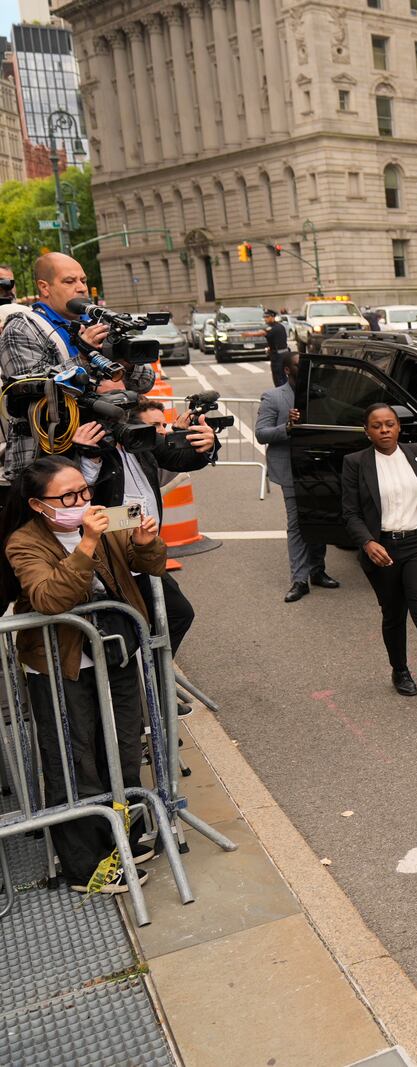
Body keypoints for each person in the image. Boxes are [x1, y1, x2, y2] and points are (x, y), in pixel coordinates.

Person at [1, 455, 167, 894]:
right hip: (61, 665)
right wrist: (87, 543)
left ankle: (125, 837)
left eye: (84, 491)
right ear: (39, 505)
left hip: (117, 652)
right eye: (69, 496)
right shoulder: (23, 541)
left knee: (124, 747)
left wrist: (147, 542)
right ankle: (85, 864)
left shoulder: (101, 520)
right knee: (75, 762)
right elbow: (50, 598)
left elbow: (146, 565)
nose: (81, 501)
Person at [342, 403, 417, 719]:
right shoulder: (355, 463)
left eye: (389, 424)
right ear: (367, 431)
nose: (384, 430)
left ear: (398, 427)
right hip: (383, 549)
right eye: (376, 425)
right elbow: (351, 513)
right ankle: (399, 669)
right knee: (394, 614)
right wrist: (367, 542)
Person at [81, 381, 217, 655]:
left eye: (126, 399)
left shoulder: (139, 437)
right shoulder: (83, 440)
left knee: (177, 615)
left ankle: (156, 685)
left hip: (144, 553)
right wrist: (89, 455)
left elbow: (181, 458)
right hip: (110, 561)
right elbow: (77, 498)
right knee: (123, 638)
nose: (122, 405)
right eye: (113, 399)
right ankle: (146, 689)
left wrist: (207, 443)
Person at [0, 253, 157, 481]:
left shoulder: (95, 324)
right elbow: (27, 392)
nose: (81, 288)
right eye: (69, 281)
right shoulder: (22, 328)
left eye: (83, 280)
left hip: (103, 453)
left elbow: (145, 382)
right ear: (45, 287)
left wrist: (125, 361)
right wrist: (83, 355)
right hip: (46, 461)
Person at [257, 351, 340, 602]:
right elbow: (262, 434)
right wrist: (288, 428)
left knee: (319, 518)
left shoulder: (320, 393)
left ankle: (318, 571)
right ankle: (299, 580)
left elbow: (333, 421)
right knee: (297, 524)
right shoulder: (273, 397)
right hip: (291, 470)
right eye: (297, 366)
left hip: (320, 467)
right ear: (286, 371)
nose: (303, 370)